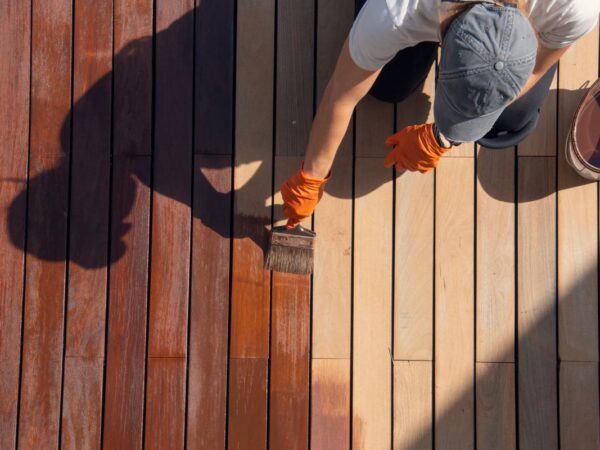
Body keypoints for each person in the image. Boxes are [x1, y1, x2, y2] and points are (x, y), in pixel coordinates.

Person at [280, 0, 599, 230]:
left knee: (509, 123)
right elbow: (342, 92)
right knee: (387, 88)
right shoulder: (395, 10)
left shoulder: (576, 6)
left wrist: (443, 136)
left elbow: (539, 66)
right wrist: (311, 176)